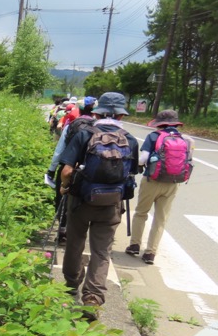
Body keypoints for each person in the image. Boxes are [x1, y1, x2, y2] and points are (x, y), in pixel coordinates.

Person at [58, 92, 139, 318]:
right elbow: (130, 173)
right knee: (101, 251)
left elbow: (66, 170)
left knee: (75, 242)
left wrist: (65, 186)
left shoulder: (84, 133)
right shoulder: (130, 139)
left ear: (95, 112)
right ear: (121, 116)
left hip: (81, 200)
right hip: (112, 203)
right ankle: (92, 297)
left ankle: (72, 283)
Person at [125, 109, 192, 265]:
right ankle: (150, 253)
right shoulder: (185, 139)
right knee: (161, 219)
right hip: (173, 183)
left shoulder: (154, 136)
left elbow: (143, 158)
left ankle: (135, 245)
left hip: (152, 181)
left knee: (141, 213)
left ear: (159, 123)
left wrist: (137, 167)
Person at [45, 96, 98, 242]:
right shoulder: (99, 127)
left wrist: (51, 169)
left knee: (62, 198)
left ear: (78, 109)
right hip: (88, 170)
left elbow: (60, 150)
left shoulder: (72, 125)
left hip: (68, 166)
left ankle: (62, 229)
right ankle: (76, 232)